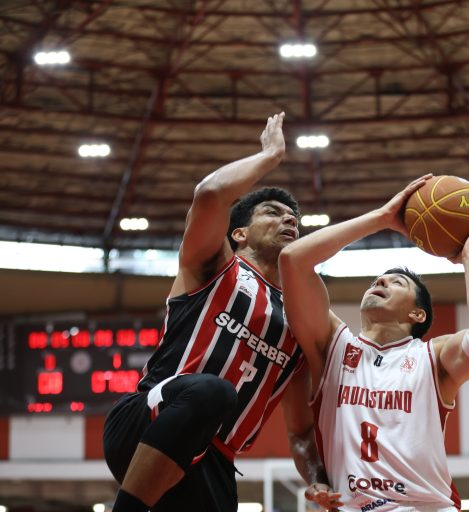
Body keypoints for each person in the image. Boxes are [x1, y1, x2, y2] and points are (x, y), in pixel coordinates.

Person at [103, 113, 334, 512]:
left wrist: (317, 479)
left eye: (293, 217)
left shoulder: (300, 321)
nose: (289, 219)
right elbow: (210, 194)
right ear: (238, 233)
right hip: (147, 418)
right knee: (213, 391)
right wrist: (269, 156)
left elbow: (299, 432)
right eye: (273, 212)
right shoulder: (216, 265)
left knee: (216, 401)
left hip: (216, 461)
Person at [279, 174, 469, 511]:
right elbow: (293, 260)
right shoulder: (333, 347)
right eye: (376, 280)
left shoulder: (433, 357)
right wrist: (381, 218)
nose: (381, 282)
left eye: (396, 282)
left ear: (417, 314)